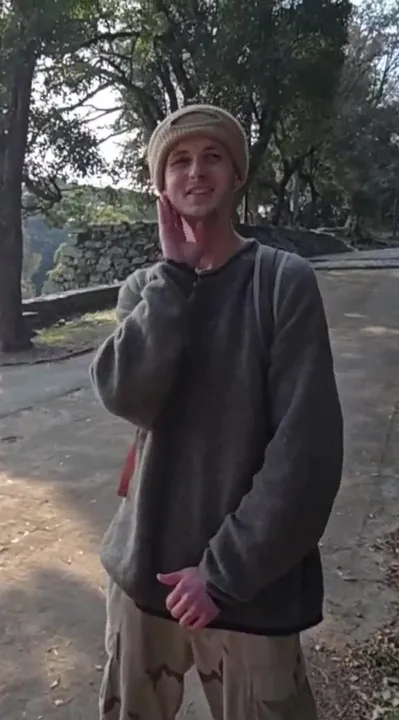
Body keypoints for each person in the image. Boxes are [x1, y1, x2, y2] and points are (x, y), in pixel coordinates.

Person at [89, 104, 344, 719]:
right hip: (145, 572)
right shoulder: (145, 290)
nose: (196, 171)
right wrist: (175, 276)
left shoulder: (281, 282)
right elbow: (127, 395)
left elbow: (305, 450)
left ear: (237, 176)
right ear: (161, 184)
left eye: (213, 157)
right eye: (179, 161)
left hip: (251, 587)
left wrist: (221, 574)